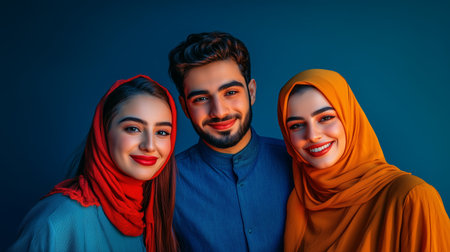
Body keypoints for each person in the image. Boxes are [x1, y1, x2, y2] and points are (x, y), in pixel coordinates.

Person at [277, 69, 450, 251]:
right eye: (296, 125)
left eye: (326, 118)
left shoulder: (412, 197)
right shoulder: (299, 204)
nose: (312, 136)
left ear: (350, 118)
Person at [9, 75, 178, 252]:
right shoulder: (57, 220)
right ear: (103, 133)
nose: (149, 146)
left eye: (162, 132)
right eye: (133, 128)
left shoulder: (154, 216)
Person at [168, 31, 293, 251]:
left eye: (231, 92)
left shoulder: (296, 161)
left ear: (251, 92)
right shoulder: (166, 183)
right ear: (184, 107)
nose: (219, 111)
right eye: (201, 99)